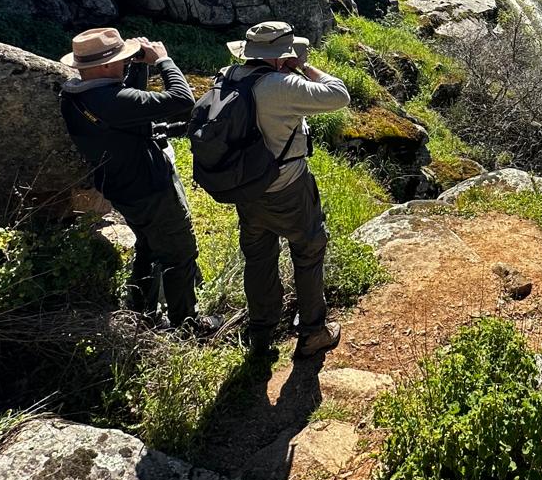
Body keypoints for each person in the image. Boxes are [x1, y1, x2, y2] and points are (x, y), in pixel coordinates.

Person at [59, 27, 209, 333]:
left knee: (148, 247)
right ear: (102, 67)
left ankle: (141, 313)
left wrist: (138, 66)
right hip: (151, 190)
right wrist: (163, 61)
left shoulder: (74, 95)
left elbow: (130, 110)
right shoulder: (113, 101)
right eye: (119, 61)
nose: (123, 64)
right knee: (179, 254)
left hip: (121, 187)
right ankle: (185, 325)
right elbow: (182, 99)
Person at [222, 20, 351, 356]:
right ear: (282, 56)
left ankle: (260, 337)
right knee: (308, 251)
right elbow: (339, 95)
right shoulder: (282, 85)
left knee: (259, 258)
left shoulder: (228, 76)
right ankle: (312, 332)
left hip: (246, 187)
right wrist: (305, 67)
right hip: (287, 186)